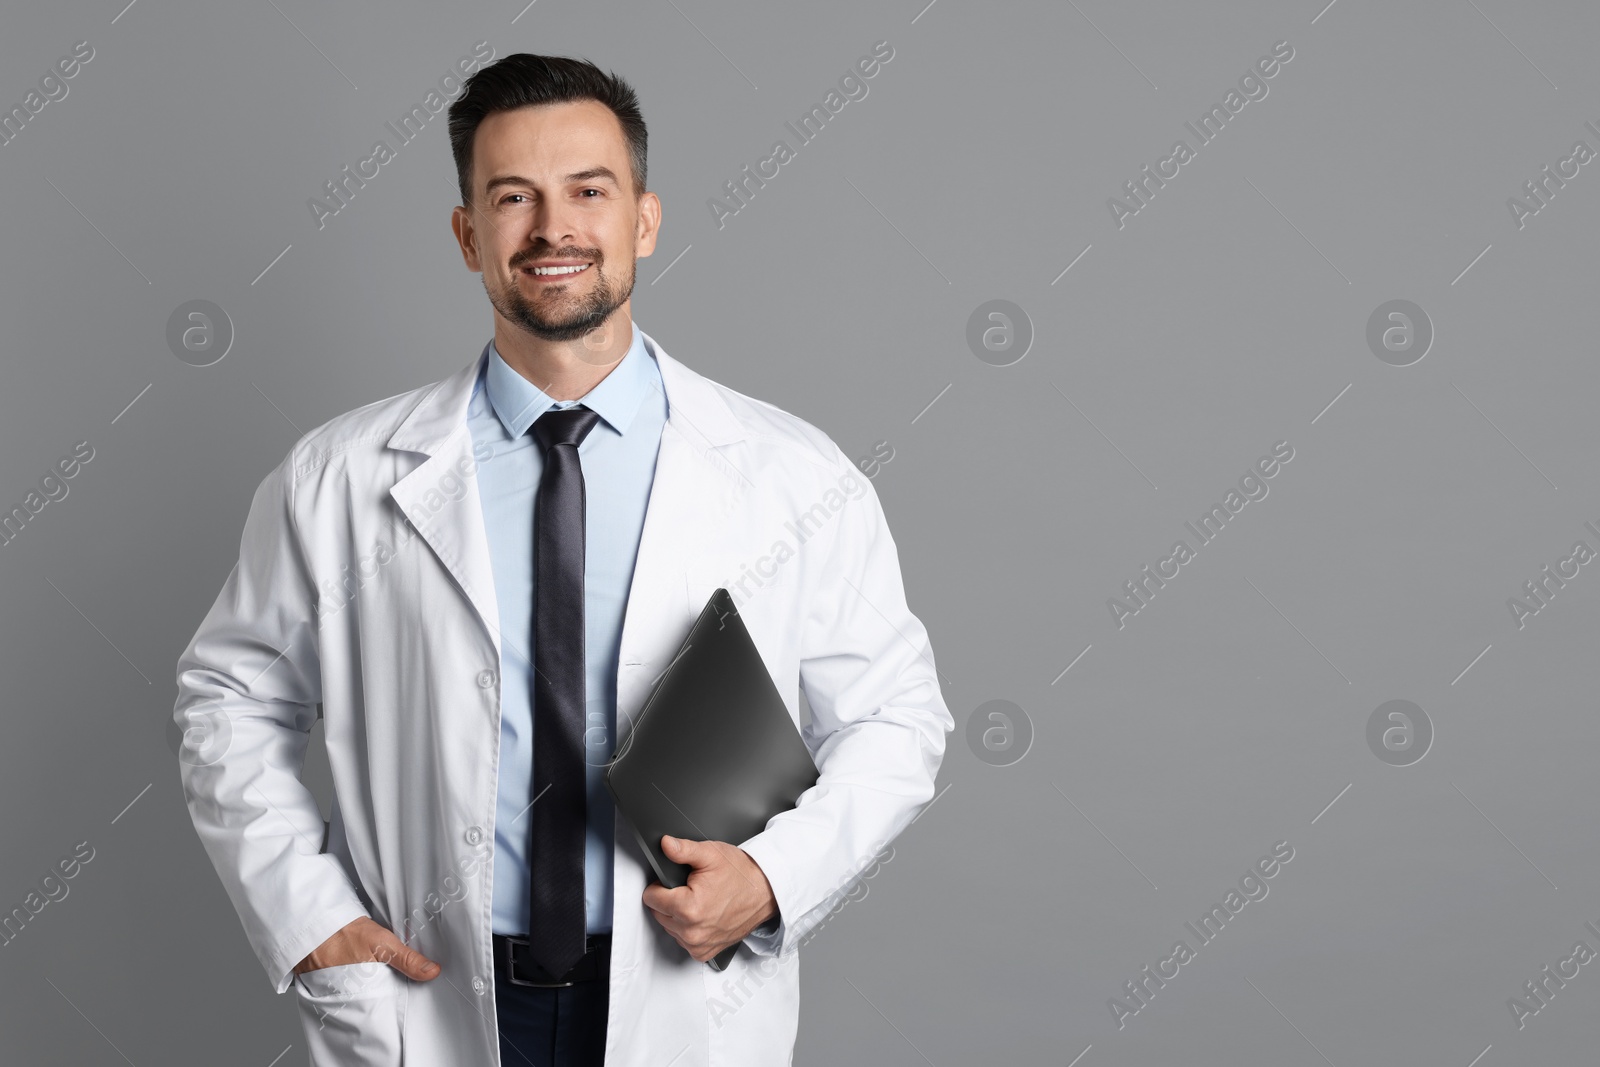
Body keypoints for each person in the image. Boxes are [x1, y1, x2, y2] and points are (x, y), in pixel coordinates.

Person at [173, 52, 952, 1067]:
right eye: (512, 198)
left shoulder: (794, 474)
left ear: (643, 219)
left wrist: (770, 879)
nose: (553, 230)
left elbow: (897, 718)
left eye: (589, 190)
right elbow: (229, 698)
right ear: (467, 235)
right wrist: (307, 916)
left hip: (685, 988)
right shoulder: (339, 474)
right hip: (430, 990)